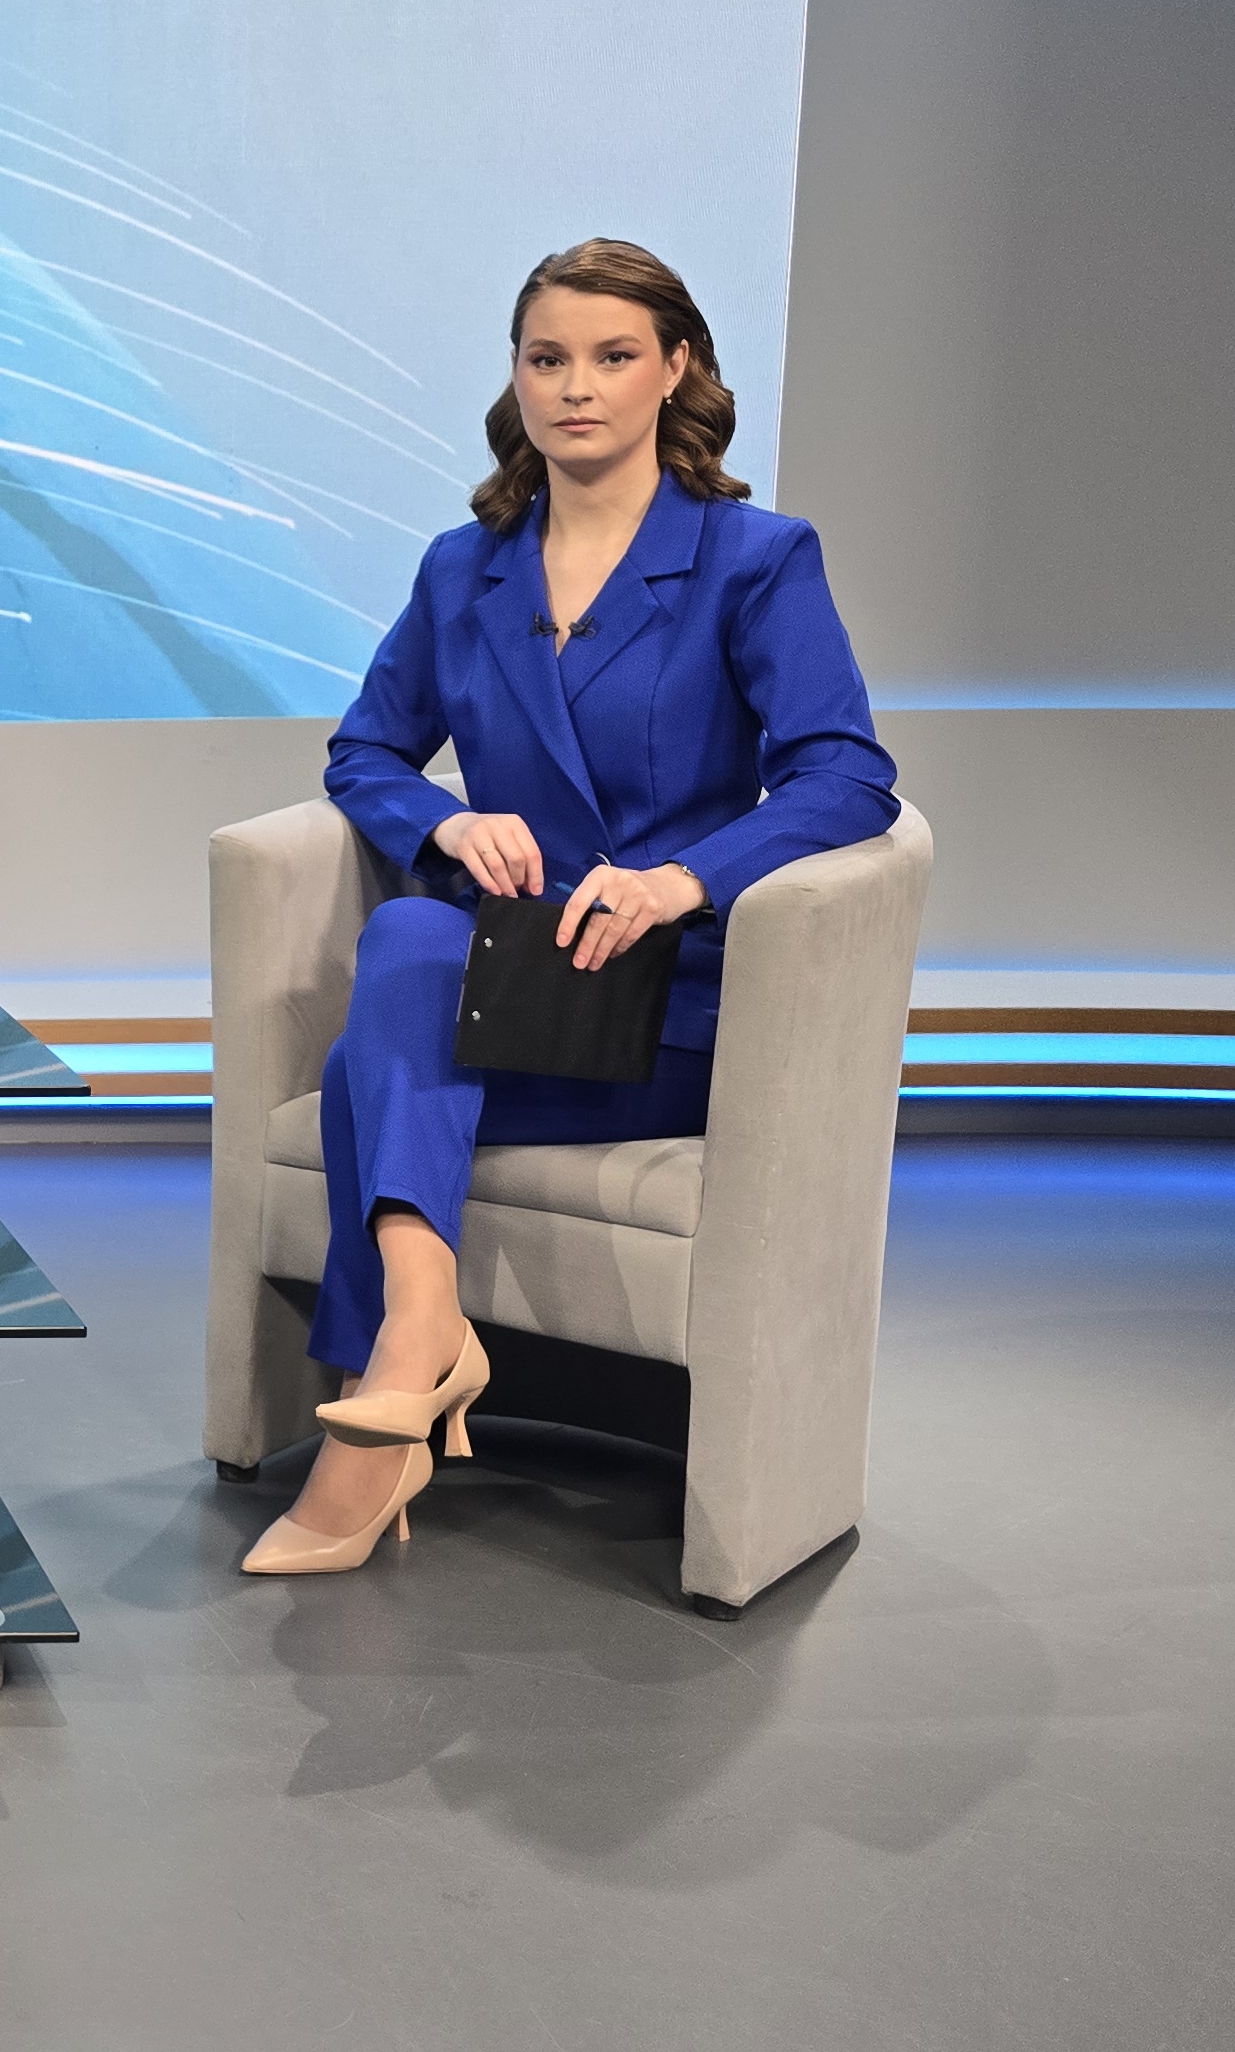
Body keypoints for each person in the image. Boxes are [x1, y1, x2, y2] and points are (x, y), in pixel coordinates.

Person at [243, 239, 899, 1575]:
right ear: (517, 377)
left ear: (677, 369)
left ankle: (387, 1399)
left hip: (666, 1007)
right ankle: (423, 1332)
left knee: (370, 1067)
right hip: (509, 984)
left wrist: (682, 879)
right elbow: (366, 754)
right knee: (413, 931)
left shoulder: (754, 560)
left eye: (612, 357)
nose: (576, 387)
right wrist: (445, 820)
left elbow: (847, 776)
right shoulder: (463, 568)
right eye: (548, 359)